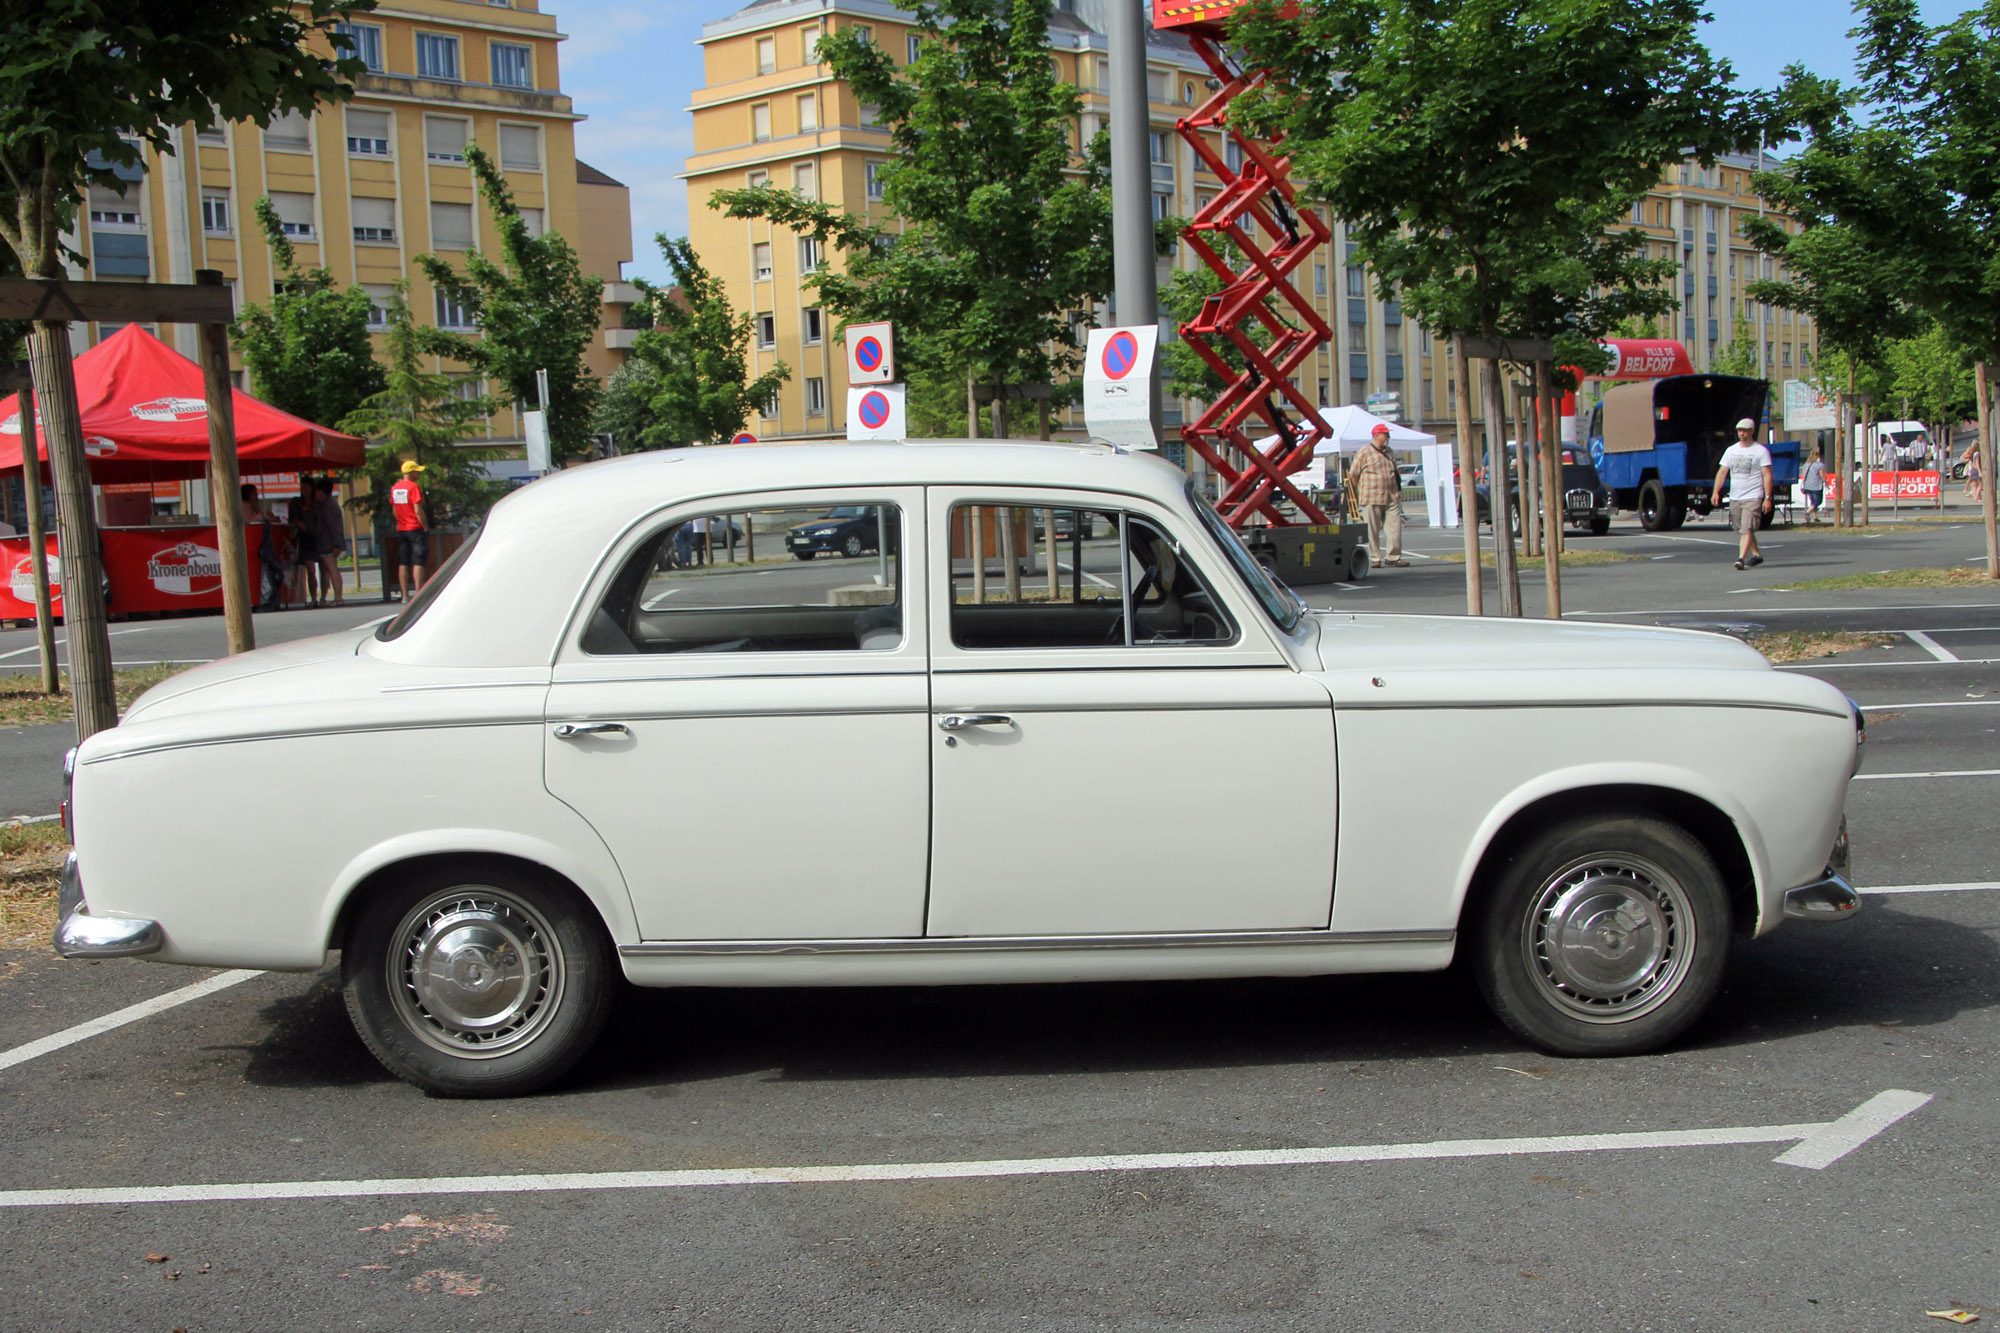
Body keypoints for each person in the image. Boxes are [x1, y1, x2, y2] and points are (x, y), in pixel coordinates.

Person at [1711, 418, 1773, 571]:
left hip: (1753, 496)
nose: (1742, 433)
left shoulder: (1760, 451)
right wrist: (1715, 492)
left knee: (1747, 528)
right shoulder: (1731, 450)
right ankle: (1757, 555)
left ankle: (1740, 559)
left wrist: (1768, 497)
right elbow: (1722, 472)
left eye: (1745, 430)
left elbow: (1767, 475)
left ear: (1752, 431)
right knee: (1742, 529)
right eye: (1739, 430)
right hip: (1736, 496)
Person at [1345, 423, 1406, 567]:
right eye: (1385, 434)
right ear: (1377, 435)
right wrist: (1359, 489)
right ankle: (1375, 558)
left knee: (1395, 528)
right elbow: (1354, 474)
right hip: (1371, 496)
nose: (1388, 437)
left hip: (1391, 496)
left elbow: (1394, 471)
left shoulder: (1389, 452)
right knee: (1372, 529)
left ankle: (1393, 556)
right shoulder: (1364, 452)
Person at [389, 460, 428, 600]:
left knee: (404, 561)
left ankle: (404, 595)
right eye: (417, 471)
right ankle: (418, 593)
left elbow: (394, 509)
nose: (418, 474)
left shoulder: (395, 487)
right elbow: (418, 509)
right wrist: (425, 525)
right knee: (418, 561)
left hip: (402, 528)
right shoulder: (413, 487)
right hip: (415, 528)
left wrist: (400, 521)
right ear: (411, 472)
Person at [314, 478, 347, 607]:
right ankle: (335, 597)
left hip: (329, 543)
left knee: (332, 570)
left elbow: (333, 526)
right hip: (328, 542)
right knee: (330, 570)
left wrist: (337, 544)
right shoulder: (329, 503)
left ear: (322, 491)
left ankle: (338, 597)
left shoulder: (328, 505)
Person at [1799, 448, 1826, 524]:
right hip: (1816, 485)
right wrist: (1826, 482)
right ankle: (1807, 512)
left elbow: (1804, 475)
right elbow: (1822, 475)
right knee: (1818, 501)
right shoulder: (1819, 465)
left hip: (1808, 485)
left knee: (1812, 501)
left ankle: (1815, 517)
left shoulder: (1806, 465)